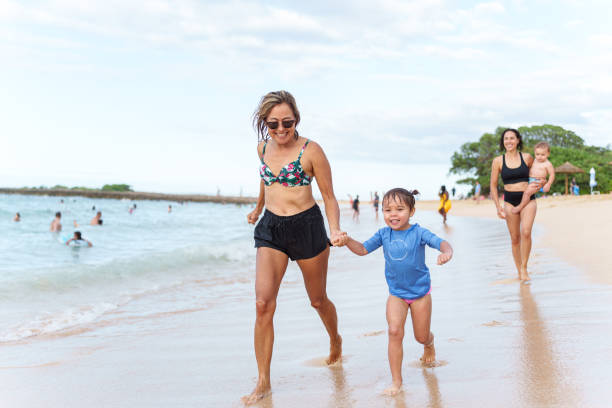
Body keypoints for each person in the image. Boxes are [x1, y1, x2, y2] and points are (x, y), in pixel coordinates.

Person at [243, 90, 346, 405]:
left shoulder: (311, 151)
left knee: (317, 300)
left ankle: (335, 339)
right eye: (273, 124)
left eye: (287, 122)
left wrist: (335, 228)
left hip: (307, 228)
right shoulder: (262, 148)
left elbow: (328, 195)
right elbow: (266, 180)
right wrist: (258, 208)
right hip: (271, 229)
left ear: (296, 119)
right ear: (265, 124)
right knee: (263, 304)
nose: (281, 129)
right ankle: (263, 382)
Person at [341, 188, 453, 396]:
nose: (393, 214)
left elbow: (442, 243)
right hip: (397, 294)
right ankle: (396, 382)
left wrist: (447, 252)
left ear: (411, 211)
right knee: (394, 331)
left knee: (420, 336)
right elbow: (363, 249)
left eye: (400, 209)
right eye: (387, 210)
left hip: (420, 294)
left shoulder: (419, 232)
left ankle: (429, 343)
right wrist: (347, 241)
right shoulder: (384, 234)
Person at [490, 128, 537, 283]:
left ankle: (524, 268)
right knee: (515, 238)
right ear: (503, 142)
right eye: (506, 139)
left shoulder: (528, 158)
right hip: (509, 201)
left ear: (517, 140)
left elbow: (537, 175)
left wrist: (540, 184)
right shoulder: (498, 161)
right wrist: (498, 207)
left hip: (528, 199)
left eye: (512, 138)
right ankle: (519, 270)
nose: (509, 141)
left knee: (526, 232)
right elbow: (493, 185)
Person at [511, 142, 555, 214]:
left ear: (548, 154)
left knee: (527, 193)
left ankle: (520, 207)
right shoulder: (534, 160)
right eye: (537, 154)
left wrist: (548, 184)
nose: (539, 157)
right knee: (519, 189)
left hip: (537, 181)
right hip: (529, 179)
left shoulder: (548, 164)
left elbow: (552, 175)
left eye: (543, 155)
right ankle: (521, 204)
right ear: (534, 153)